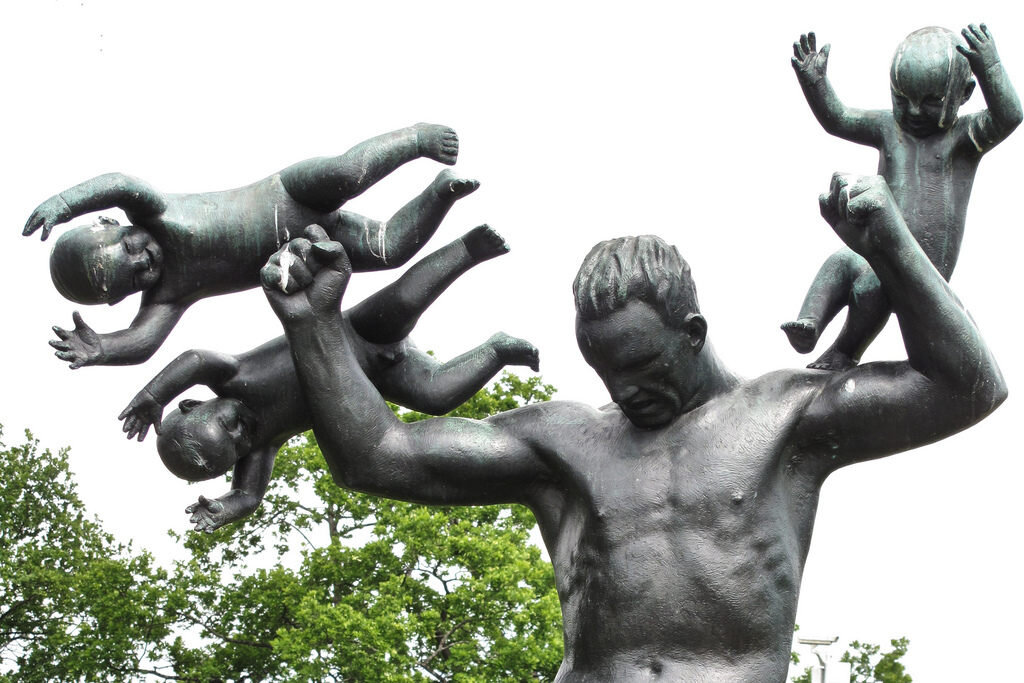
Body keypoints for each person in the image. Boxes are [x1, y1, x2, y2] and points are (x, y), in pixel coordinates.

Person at [260, 174, 1006, 681]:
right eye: (603, 368)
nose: (623, 389)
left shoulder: (787, 418)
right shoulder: (562, 443)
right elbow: (378, 454)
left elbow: (967, 388)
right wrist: (314, 325)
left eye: (642, 364)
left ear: (693, 332)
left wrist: (889, 244)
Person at [118, 224, 538, 532]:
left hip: (355, 333)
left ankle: (467, 249)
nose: (243, 433)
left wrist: (153, 394)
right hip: (373, 382)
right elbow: (249, 495)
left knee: (408, 298)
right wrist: (225, 508)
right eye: (237, 446)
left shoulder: (232, 375)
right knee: (438, 394)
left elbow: (192, 359)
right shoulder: (260, 446)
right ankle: (498, 350)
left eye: (227, 424)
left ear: (196, 403)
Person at [25, 122, 475, 367]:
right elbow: (143, 342)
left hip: (289, 195)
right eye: (135, 275)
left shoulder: (155, 211)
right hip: (312, 243)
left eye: (130, 248)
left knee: (344, 175)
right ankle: (440, 192)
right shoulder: (169, 295)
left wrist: (66, 202)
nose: (145, 260)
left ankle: (415, 140)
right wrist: (102, 348)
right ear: (123, 297)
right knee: (389, 249)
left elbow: (120, 182)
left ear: (112, 222)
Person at [782, 25, 1021, 369]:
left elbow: (1009, 116)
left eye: (930, 102)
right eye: (901, 99)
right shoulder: (888, 128)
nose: (912, 112)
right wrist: (815, 83)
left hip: (923, 263)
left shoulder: (962, 139)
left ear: (964, 93)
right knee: (842, 262)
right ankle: (810, 323)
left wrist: (990, 68)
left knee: (871, 286)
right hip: (879, 247)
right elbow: (838, 119)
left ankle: (845, 350)